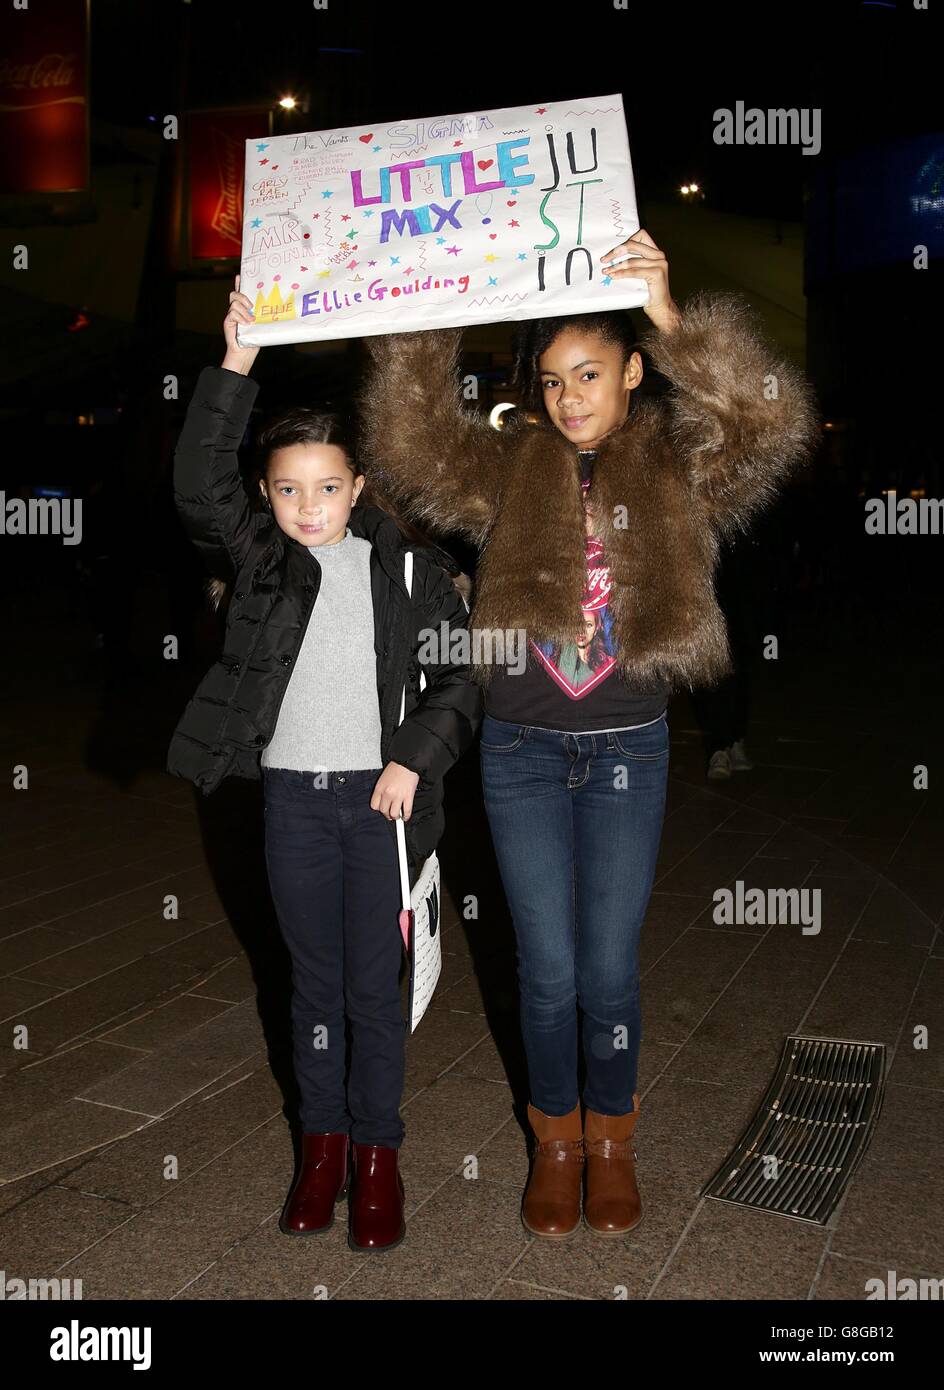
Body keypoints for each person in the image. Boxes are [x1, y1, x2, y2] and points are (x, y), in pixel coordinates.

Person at [358, 229, 818, 1240]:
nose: (570, 395)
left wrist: (669, 312)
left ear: (630, 374)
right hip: (519, 750)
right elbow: (411, 447)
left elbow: (768, 425)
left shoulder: (672, 459)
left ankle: (611, 1142)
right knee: (548, 967)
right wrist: (434, 320)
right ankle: (553, 1143)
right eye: (554, 378)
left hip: (626, 747)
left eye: (591, 373)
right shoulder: (508, 461)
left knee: (607, 968)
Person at [167, 276, 482, 1252]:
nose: (309, 506)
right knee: (308, 989)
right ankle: (322, 1150)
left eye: (328, 486)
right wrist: (234, 361)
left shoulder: (406, 570)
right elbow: (195, 484)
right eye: (288, 489)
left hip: (379, 811)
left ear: (358, 485)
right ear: (268, 493)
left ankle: (379, 1157)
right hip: (292, 806)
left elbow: (459, 683)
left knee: (367, 993)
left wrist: (411, 763)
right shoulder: (262, 563)